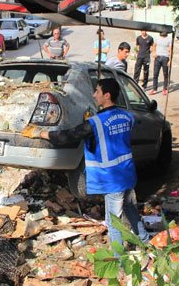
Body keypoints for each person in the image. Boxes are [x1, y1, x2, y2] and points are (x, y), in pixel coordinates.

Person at [21, 78, 150, 248]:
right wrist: (94, 120)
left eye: (97, 91)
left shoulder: (96, 123)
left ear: (107, 95)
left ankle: (118, 259)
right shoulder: (127, 116)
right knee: (129, 207)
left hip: (112, 179)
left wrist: (40, 132)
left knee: (114, 222)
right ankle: (145, 240)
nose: (94, 95)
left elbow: (67, 137)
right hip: (127, 174)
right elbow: (111, 134)